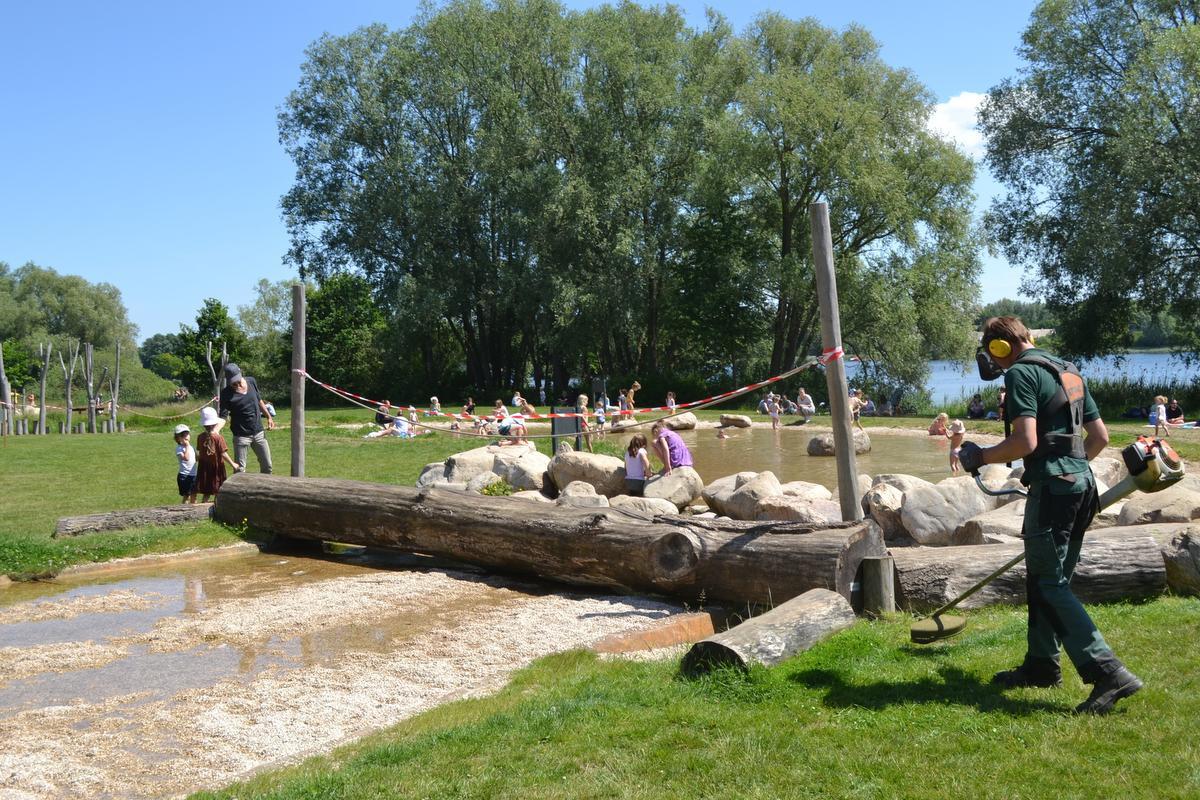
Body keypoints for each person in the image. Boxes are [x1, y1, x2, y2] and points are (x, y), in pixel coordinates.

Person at [958, 315, 1140, 715]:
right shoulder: (1068, 370)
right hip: (1080, 487)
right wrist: (1066, 469)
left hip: (1055, 493)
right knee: (1050, 580)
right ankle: (1042, 665)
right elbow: (1100, 438)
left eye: (991, 352)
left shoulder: (1020, 373)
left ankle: (1108, 672)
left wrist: (980, 456)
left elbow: (1025, 440)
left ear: (999, 348)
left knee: (1048, 582)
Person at [218, 363, 275, 474]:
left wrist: (269, 417)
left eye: (238, 380)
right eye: (233, 382)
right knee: (240, 470)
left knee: (267, 466)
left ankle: (265, 490)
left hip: (258, 432)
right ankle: (238, 491)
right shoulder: (226, 394)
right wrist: (215, 430)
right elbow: (223, 416)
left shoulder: (251, 381)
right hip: (241, 436)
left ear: (241, 374)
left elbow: (259, 401)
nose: (237, 384)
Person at [195, 406, 241, 502]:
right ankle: (216, 508)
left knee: (207, 492)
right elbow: (223, 454)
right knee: (218, 490)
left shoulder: (200, 437)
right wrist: (233, 464)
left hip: (204, 468)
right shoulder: (218, 438)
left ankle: (203, 506)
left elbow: (199, 453)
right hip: (216, 468)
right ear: (215, 423)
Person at [173, 424, 197, 504]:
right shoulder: (179, 448)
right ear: (177, 438)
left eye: (187, 434)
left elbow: (196, 458)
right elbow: (186, 458)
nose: (186, 436)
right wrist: (186, 446)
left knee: (194, 495)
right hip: (184, 476)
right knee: (187, 496)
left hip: (193, 474)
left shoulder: (191, 447)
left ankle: (194, 512)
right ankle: (183, 512)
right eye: (182, 435)